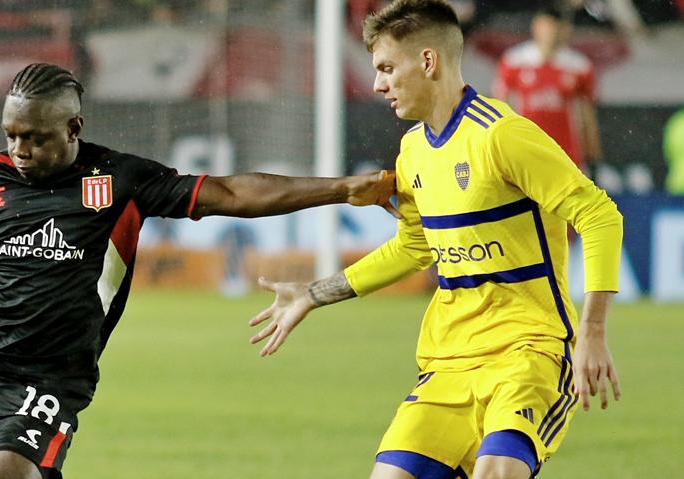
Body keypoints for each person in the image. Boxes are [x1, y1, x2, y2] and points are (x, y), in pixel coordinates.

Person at [0, 62, 399, 479]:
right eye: (10, 136)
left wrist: (345, 188)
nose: (20, 151)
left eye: (34, 138)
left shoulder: (121, 181)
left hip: (43, 388)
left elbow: (233, 192)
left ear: (74, 128)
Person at [248, 1, 623, 478]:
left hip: (527, 354)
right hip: (447, 364)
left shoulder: (502, 136)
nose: (378, 84)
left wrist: (592, 333)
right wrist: (315, 292)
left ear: (428, 61)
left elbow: (600, 215)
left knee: (497, 471)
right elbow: (415, 246)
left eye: (386, 68)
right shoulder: (412, 151)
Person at [494, 5, 602, 175]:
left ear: (564, 29)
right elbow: (500, 109)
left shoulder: (579, 66)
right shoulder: (513, 62)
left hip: (567, 155)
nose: (549, 32)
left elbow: (587, 116)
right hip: (526, 152)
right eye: (545, 27)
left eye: (554, 27)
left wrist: (594, 159)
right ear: (535, 27)